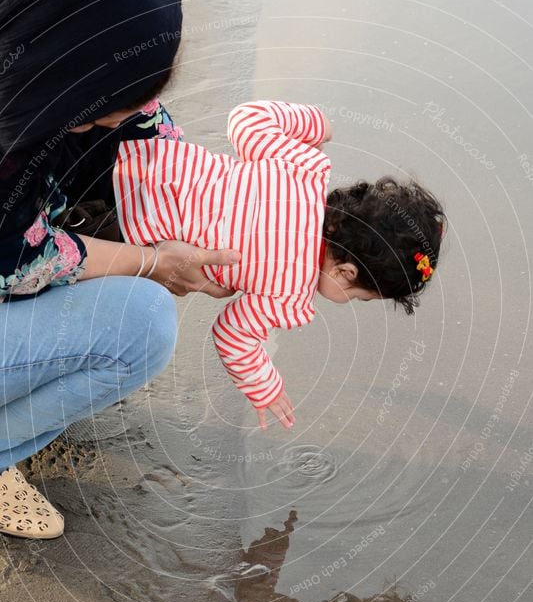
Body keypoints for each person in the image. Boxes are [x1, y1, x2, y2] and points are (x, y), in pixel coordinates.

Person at [0, 0, 240, 541]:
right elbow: (17, 265)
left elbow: (162, 150)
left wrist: (269, 231)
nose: (143, 109)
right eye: (125, 97)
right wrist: (157, 262)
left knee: (131, 195)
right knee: (142, 324)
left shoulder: (50, 51)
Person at [114, 100, 446, 430]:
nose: (353, 302)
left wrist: (317, 123)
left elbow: (245, 119)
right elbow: (232, 335)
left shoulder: (306, 169)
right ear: (346, 273)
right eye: (360, 297)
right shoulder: (291, 297)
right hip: (118, 232)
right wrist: (265, 388)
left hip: (131, 157)